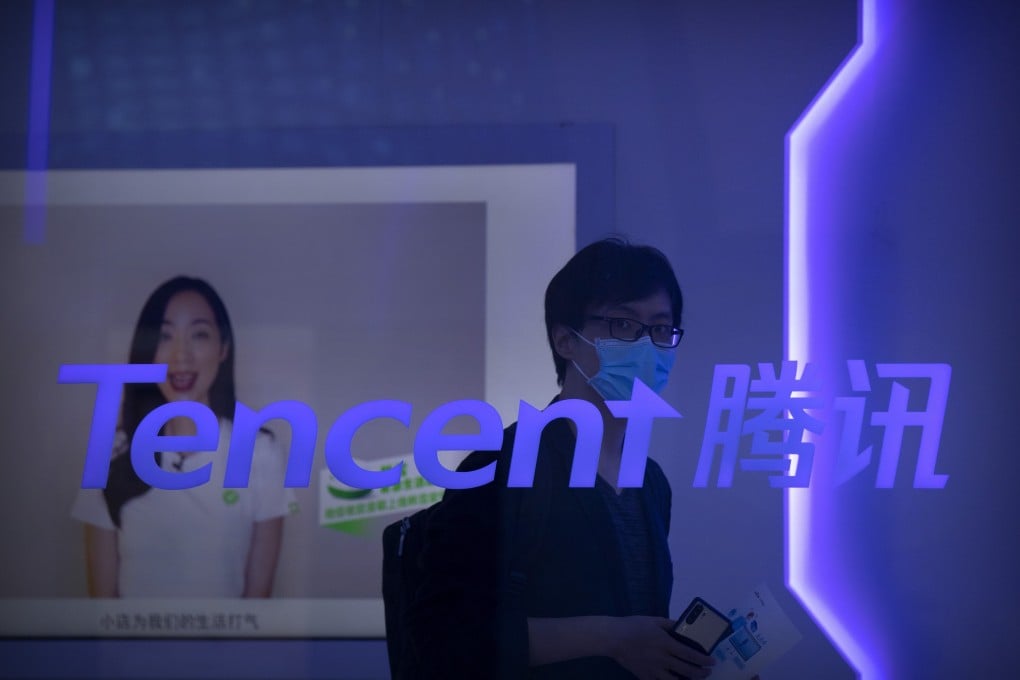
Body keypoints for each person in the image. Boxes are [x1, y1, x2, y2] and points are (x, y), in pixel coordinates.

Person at [405, 238, 715, 679]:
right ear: (566, 340)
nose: (647, 346)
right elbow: (442, 637)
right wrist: (612, 637)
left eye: (661, 330)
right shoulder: (502, 463)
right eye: (624, 325)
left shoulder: (649, 481)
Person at [70, 276, 294, 598]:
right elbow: (101, 611)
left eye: (199, 334)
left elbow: (257, 607)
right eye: (165, 336)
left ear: (223, 349)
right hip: (134, 650)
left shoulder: (261, 452)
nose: (181, 354)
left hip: (226, 649)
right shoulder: (110, 453)